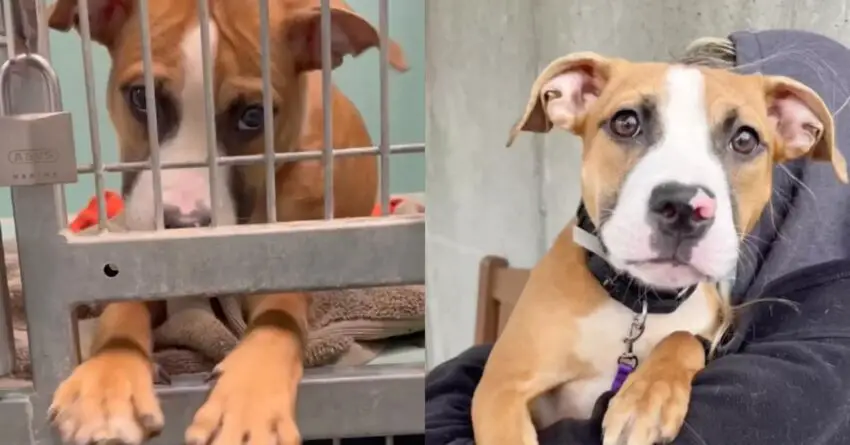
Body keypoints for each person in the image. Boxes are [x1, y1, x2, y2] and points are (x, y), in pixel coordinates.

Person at [425, 29, 850, 445]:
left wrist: (679, 357)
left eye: (742, 139)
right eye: (628, 124)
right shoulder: (559, 282)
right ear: (572, 100)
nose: (685, 203)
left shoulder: (792, 341)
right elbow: (499, 394)